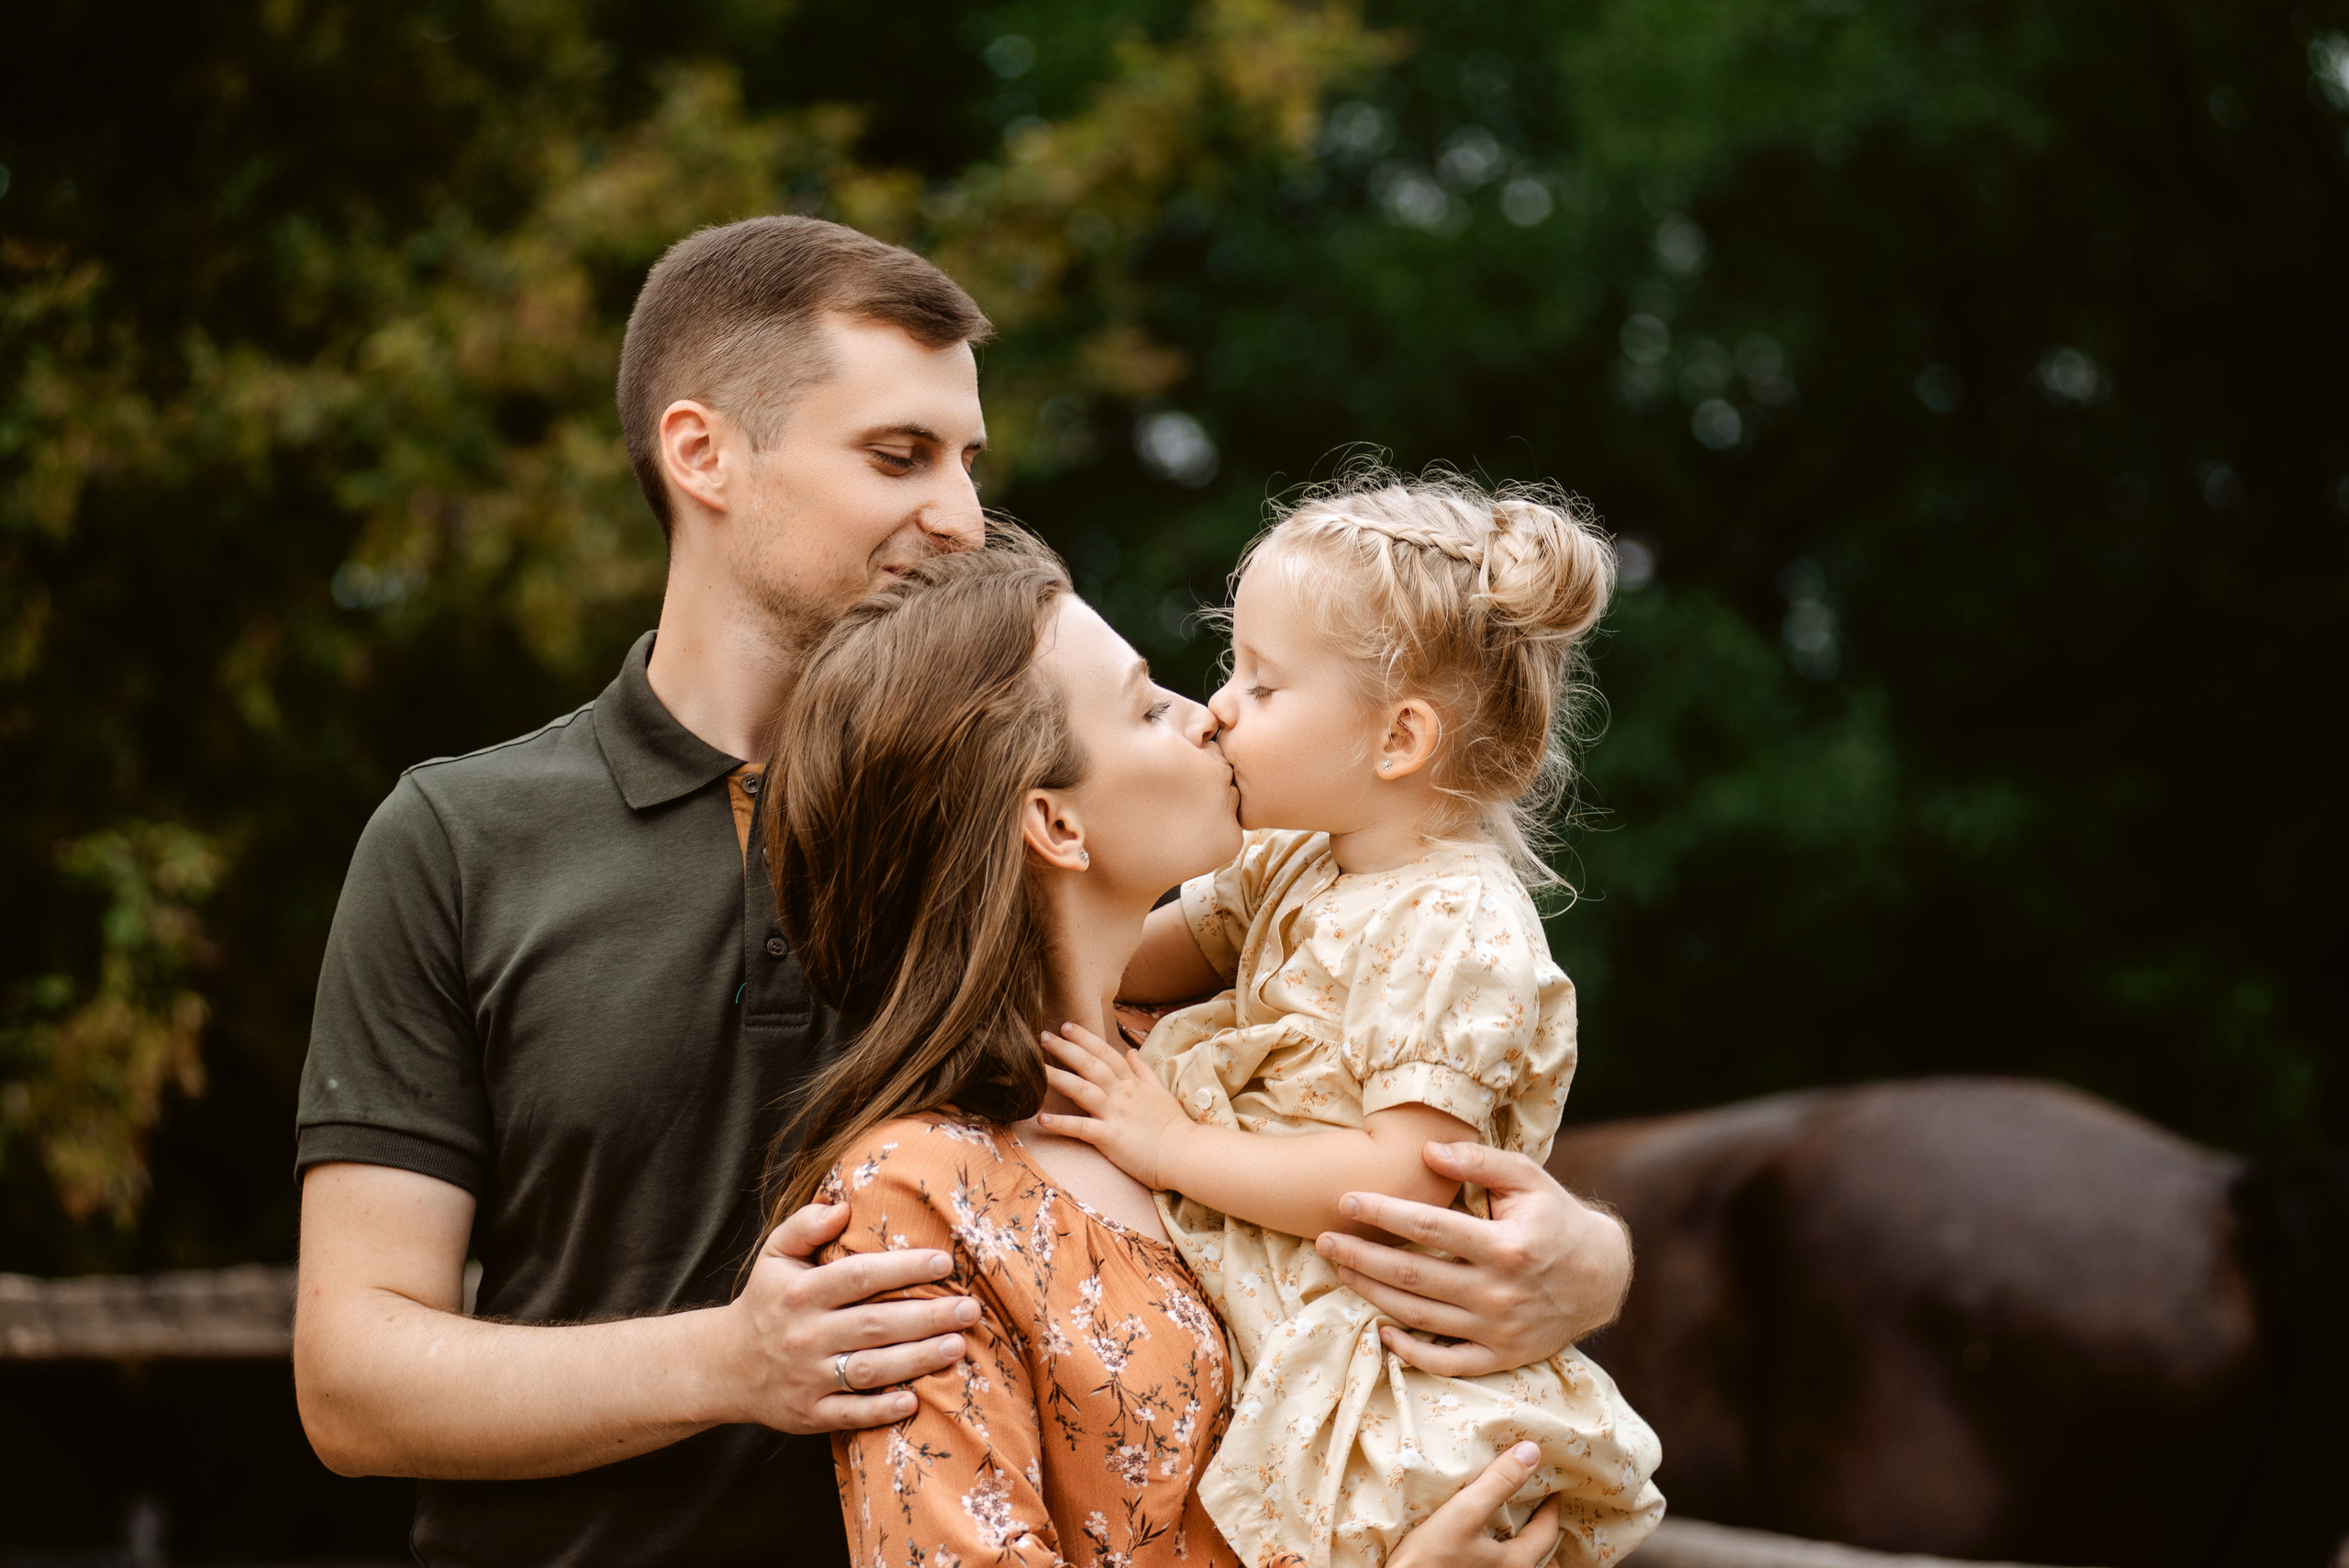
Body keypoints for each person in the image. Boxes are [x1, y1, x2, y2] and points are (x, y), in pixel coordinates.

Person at [290, 215, 1636, 1567]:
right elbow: (351, 1380)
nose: (959, 512)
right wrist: (731, 1361)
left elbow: (1380, 1090)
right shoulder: (463, 840)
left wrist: (1581, 1258)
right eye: (898, 456)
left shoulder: (1059, 850)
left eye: (965, 458)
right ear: (702, 453)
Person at [763, 542, 1582, 1568]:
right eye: (1149, 706)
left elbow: (1439, 1183)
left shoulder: (1231, 1051)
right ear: (1055, 823)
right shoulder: (919, 1197)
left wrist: (1590, 1261)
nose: (1209, 715)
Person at [1039, 473, 1665, 1566]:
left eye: (1264, 684)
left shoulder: (1458, 925)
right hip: (1280, 1288)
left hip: (1378, 1340)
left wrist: (1170, 1143)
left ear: (1399, 739)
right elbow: (1119, 959)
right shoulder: (1291, 857)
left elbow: (1403, 1174)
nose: (1219, 706)